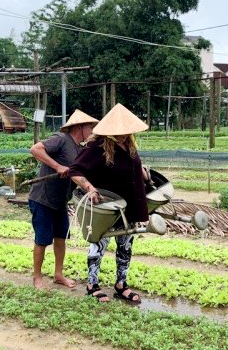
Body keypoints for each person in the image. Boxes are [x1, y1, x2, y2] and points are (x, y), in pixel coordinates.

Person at [69, 103, 150, 304]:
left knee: (125, 245)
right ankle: (92, 285)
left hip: (128, 206)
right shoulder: (96, 147)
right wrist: (90, 188)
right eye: (120, 131)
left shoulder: (130, 145)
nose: (124, 134)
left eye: (126, 131)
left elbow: (131, 165)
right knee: (99, 245)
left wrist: (142, 172)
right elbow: (75, 171)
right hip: (106, 207)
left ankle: (121, 284)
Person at [28, 110, 99, 289]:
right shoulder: (61, 138)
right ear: (79, 127)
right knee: (43, 239)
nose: (92, 130)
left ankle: (58, 274)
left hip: (60, 201)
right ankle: (37, 277)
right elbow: (35, 149)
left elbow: (79, 174)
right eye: (90, 127)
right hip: (42, 198)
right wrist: (58, 166)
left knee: (61, 237)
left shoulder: (80, 149)